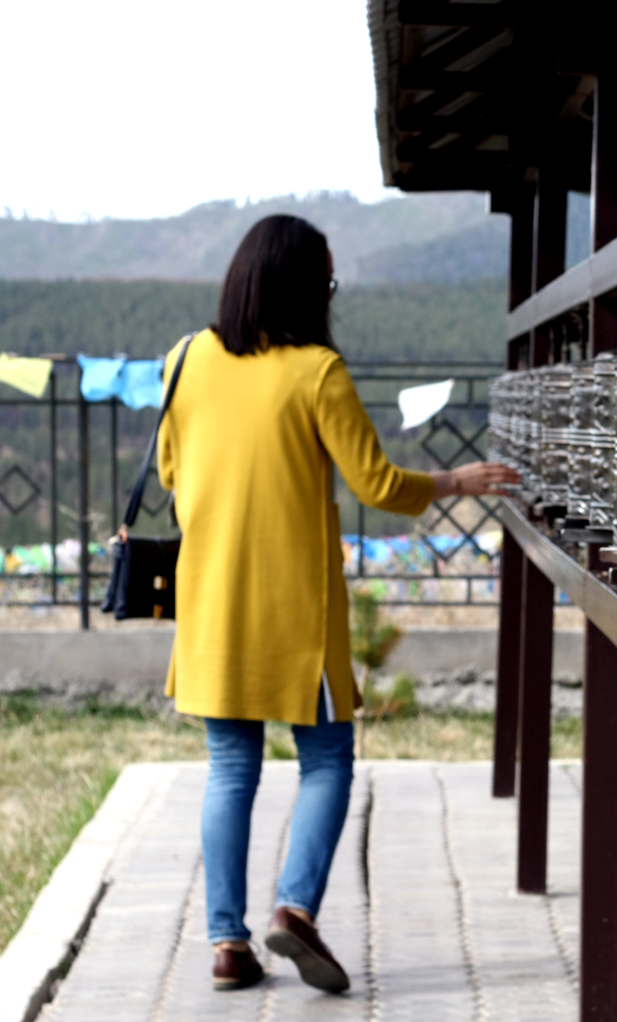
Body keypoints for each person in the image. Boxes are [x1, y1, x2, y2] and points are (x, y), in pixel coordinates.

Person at [156, 215, 518, 993]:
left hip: (211, 604)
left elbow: (168, 473)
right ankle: (294, 911)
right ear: (302, 286)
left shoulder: (184, 359)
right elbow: (378, 485)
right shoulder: (317, 371)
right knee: (325, 758)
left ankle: (227, 945)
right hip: (295, 612)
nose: (330, 294)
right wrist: (454, 482)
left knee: (229, 769)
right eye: (326, 281)